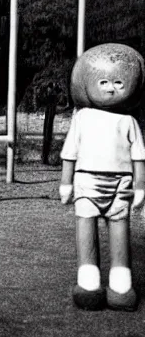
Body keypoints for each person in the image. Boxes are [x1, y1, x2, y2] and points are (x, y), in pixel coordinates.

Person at [60, 43, 145, 311]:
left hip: (121, 183)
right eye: (104, 81)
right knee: (86, 227)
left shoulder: (128, 121)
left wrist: (140, 186)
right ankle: (89, 283)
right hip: (86, 181)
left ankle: (120, 285)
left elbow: (138, 156)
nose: (111, 88)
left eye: (119, 82)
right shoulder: (82, 117)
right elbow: (70, 153)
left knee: (119, 227)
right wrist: (66, 182)